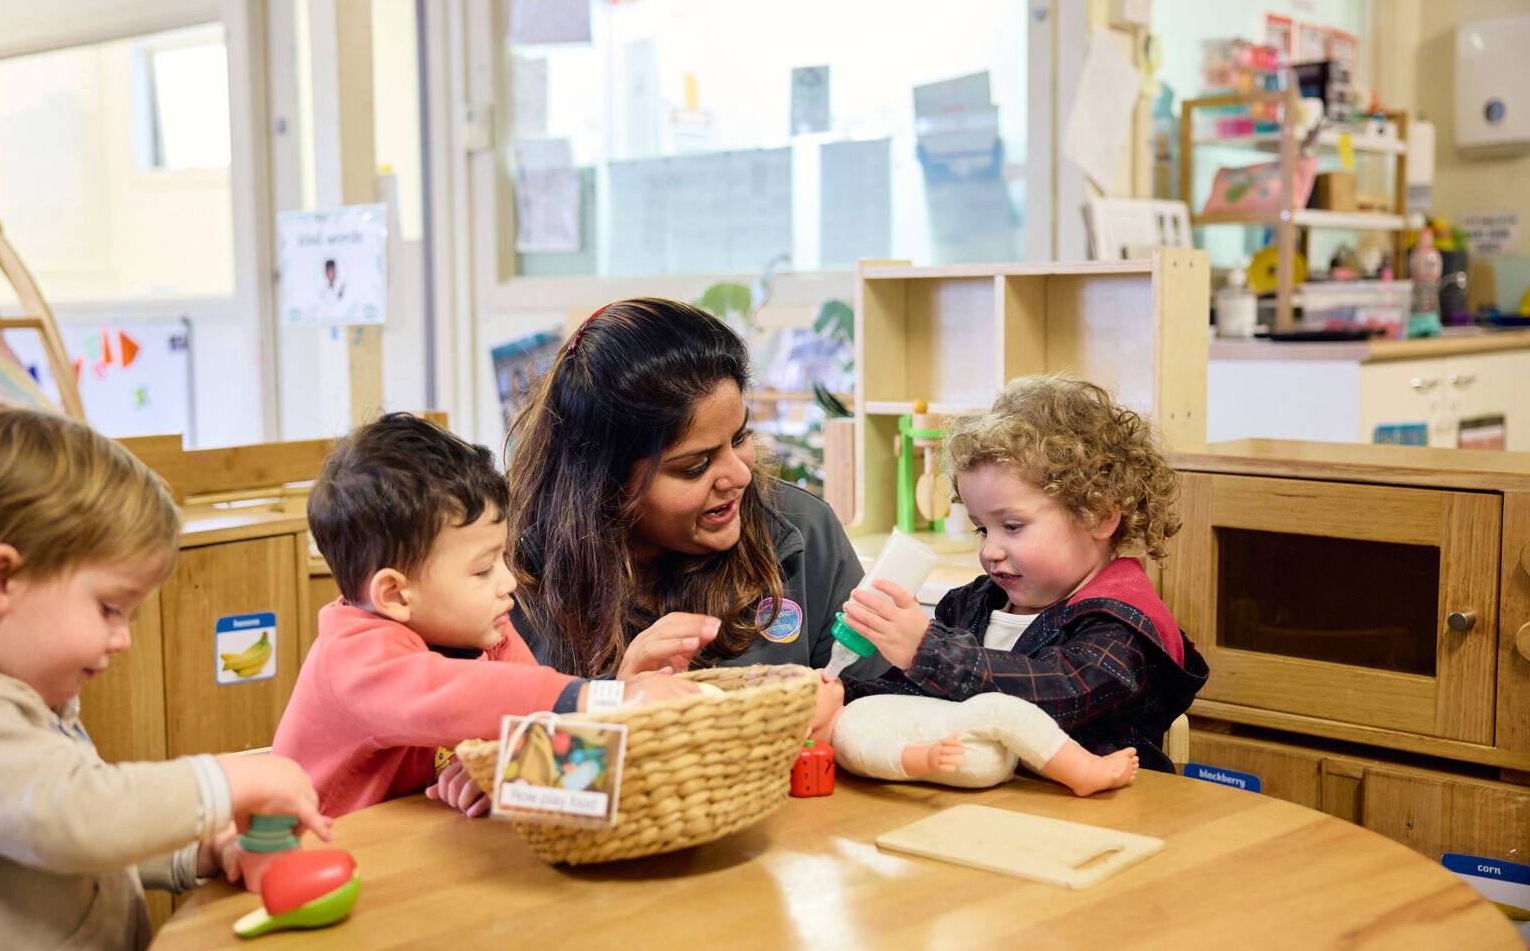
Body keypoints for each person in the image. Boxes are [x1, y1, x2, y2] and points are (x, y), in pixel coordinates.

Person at [0, 401, 329, 951]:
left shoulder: (18, 700)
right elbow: (71, 818)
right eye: (109, 608)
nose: (122, 638)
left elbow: (87, 837)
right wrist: (221, 782)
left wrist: (204, 845)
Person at [272, 413, 698, 819]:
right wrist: (607, 697)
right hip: (318, 857)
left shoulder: (485, 631)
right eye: (482, 569)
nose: (508, 582)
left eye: (502, 559)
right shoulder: (352, 660)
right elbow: (453, 699)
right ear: (395, 593)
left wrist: (504, 770)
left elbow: (538, 726)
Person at [835, 375, 1208, 771]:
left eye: (1012, 526)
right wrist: (841, 694)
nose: (990, 550)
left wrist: (926, 652)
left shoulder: (1122, 630)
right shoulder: (971, 605)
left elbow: (1053, 694)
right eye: (982, 529)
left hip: (1097, 821)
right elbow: (910, 701)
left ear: (1098, 516)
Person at [506, 298, 888, 681]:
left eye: (740, 438)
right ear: (604, 483)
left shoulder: (803, 532)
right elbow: (499, 734)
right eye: (695, 467)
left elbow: (878, 707)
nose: (738, 476)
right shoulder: (508, 579)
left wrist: (835, 715)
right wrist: (611, 702)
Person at [808, 676, 1138, 796]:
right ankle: (1084, 773)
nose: (817, 673)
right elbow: (881, 756)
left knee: (1025, 732)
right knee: (998, 709)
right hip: (962, 750)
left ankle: (1068, 770)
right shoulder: (848, 737)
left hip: (970, 744)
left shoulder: (852, 711)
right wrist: (924, 757)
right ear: (806, 727)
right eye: (808, 685)